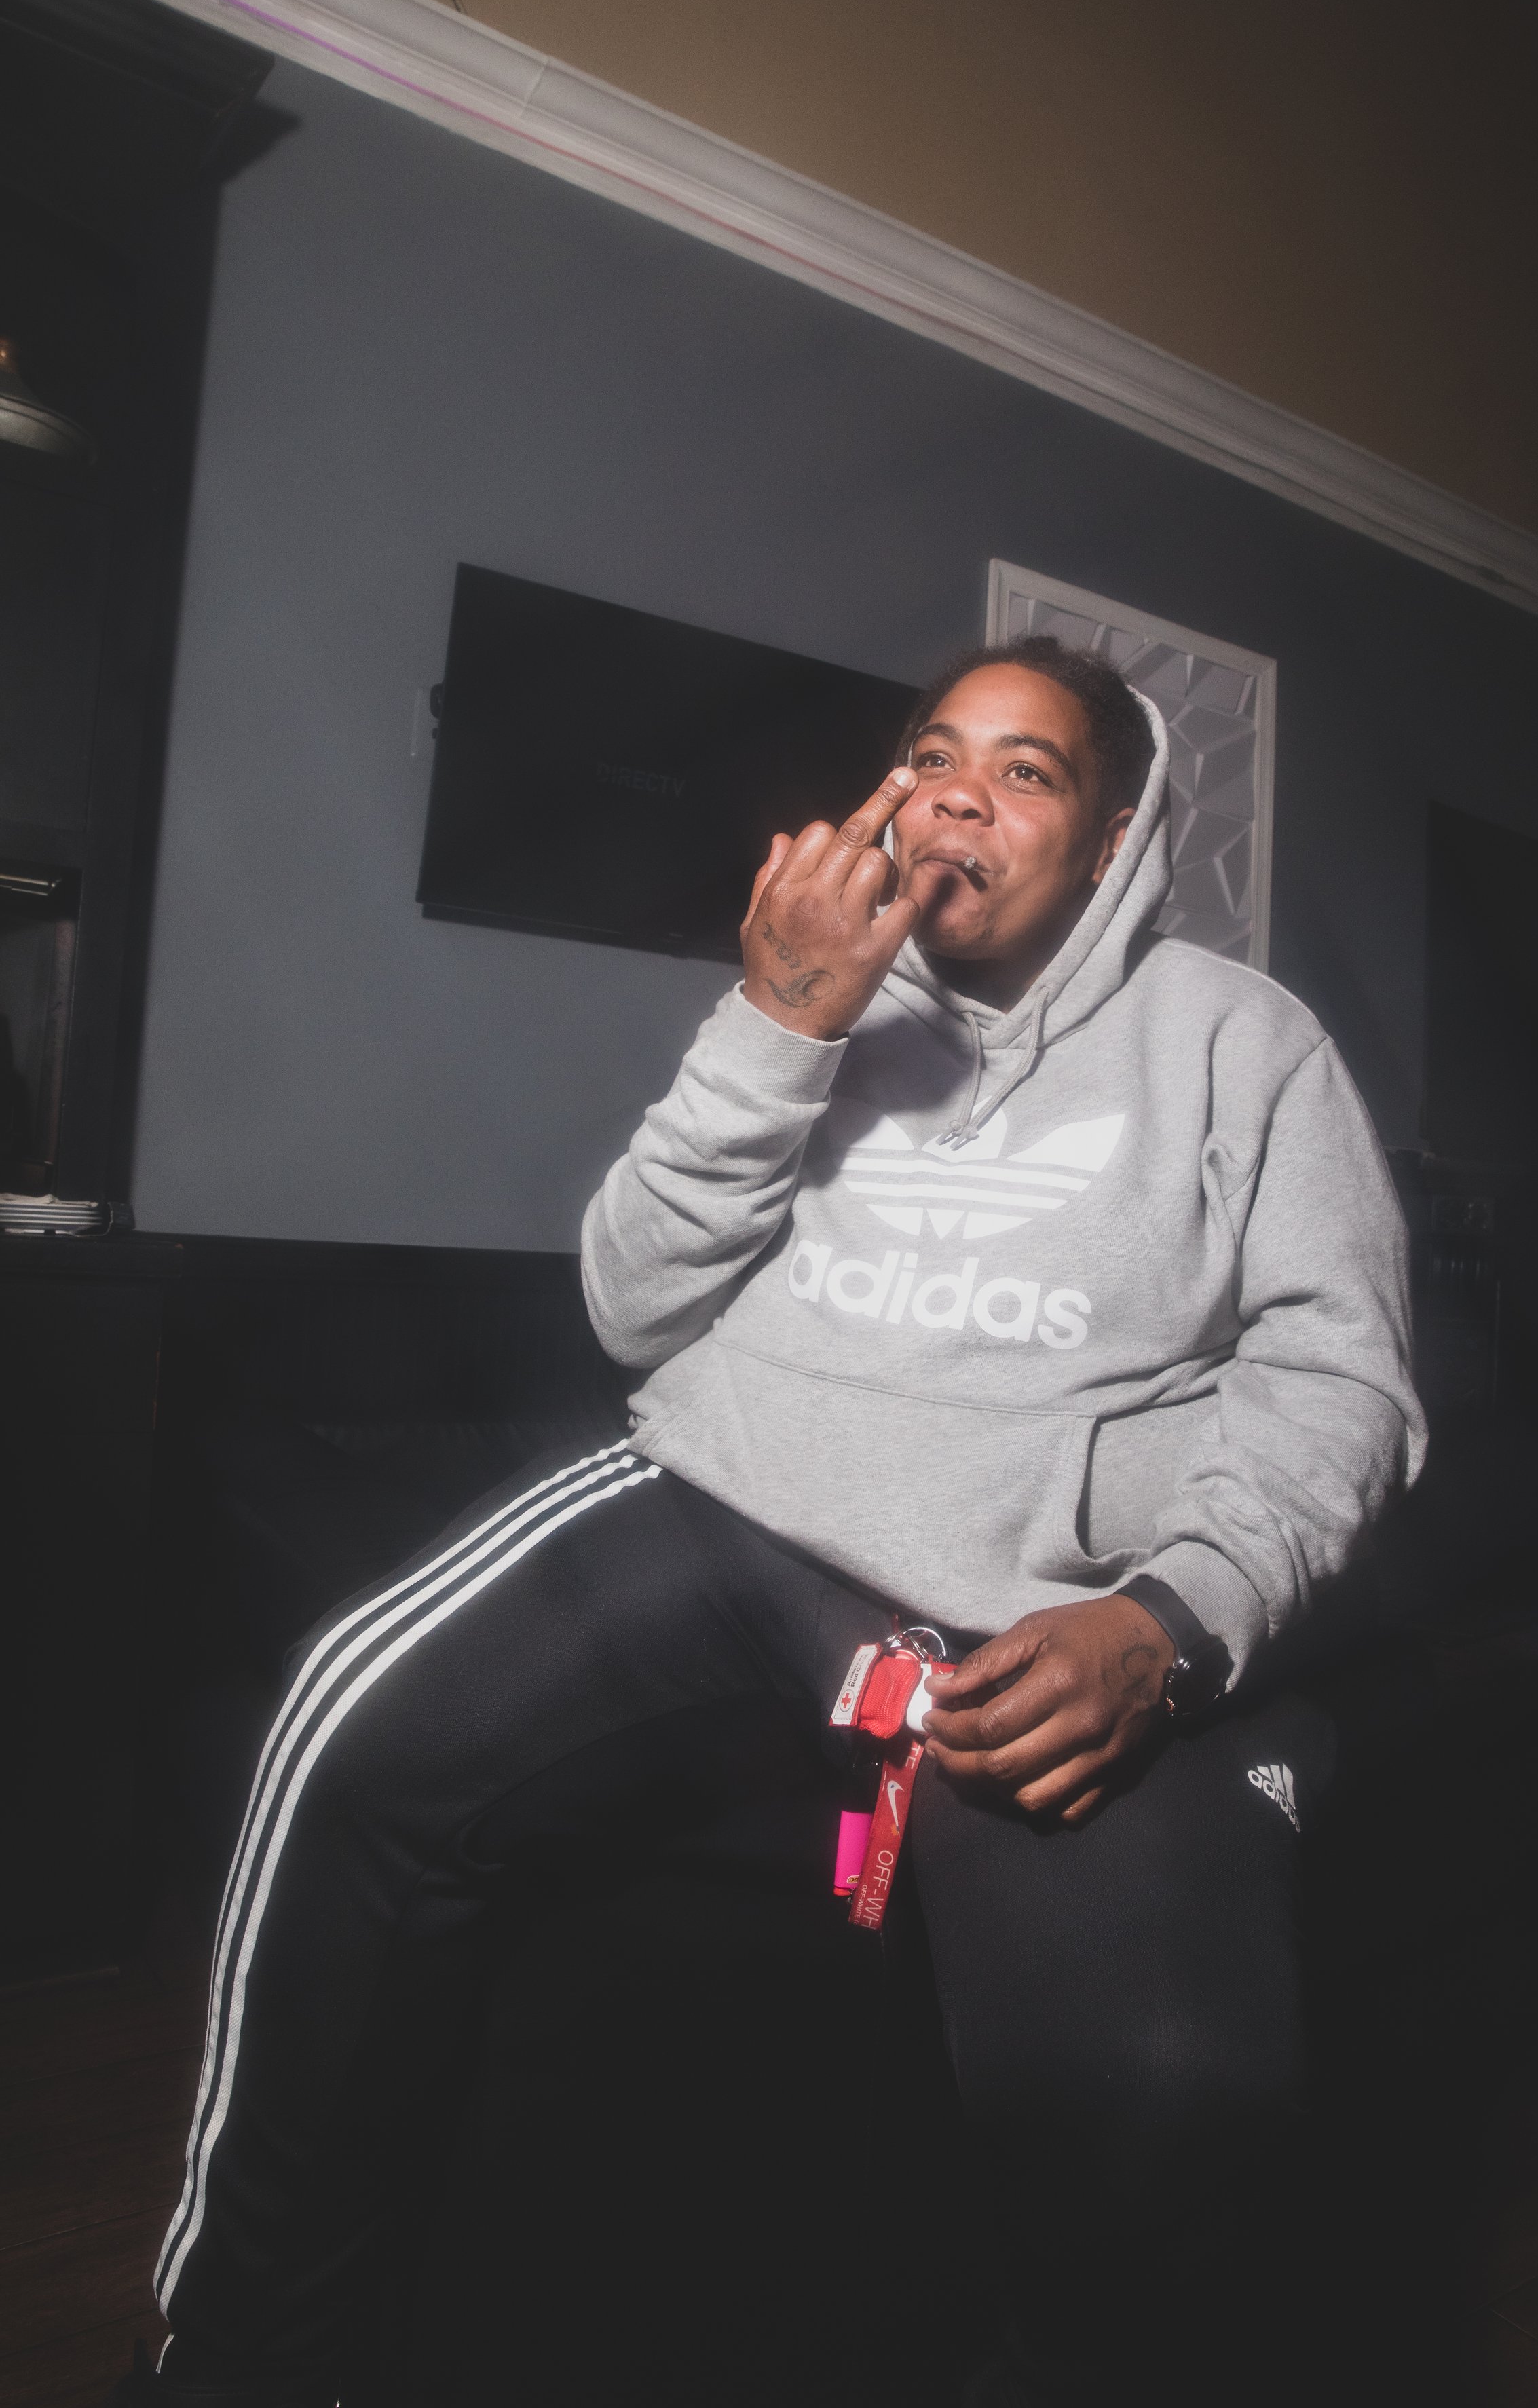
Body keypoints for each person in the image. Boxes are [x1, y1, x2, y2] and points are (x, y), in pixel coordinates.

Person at [115, 635, 1423, 2406]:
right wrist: (781, 1019)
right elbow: (632, 1309)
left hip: (1035, 1602)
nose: (961, 795)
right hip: (734, 1504)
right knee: (347, 1724)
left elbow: (1340, 1382)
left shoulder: (1243, 1045)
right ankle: (243, 2363)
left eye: (1027, 770)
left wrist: (1175, 1619)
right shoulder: (828, 988)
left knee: (1166, 2080)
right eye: (936, 754)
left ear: (1115, 841)